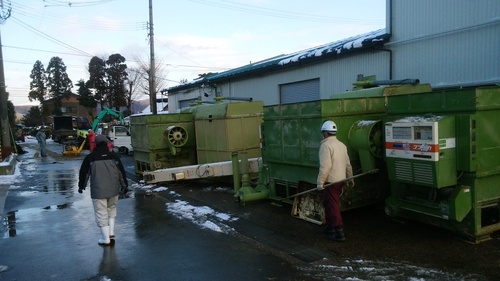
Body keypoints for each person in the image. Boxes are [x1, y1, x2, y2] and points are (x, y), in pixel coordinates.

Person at [78, 134, 128, 246]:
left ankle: (105, 239)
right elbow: (121, 173)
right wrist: (125, 186)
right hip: (114, 190)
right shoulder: (114, 156)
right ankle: (111, 232)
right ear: (106, 143)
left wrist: (81, 187)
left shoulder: (90, 158)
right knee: (111, 209)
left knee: (101, 213)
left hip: (98, 191)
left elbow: (84, 174)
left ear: (95, 143)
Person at [316, 120, 354, 242]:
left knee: (333, 206)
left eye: (323, 133)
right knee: (327, 203)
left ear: (326, 133)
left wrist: (320, 182)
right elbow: (348, 164)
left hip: (331, 182)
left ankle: (339, 232)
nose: (323, 135)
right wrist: (350, 178)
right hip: (341, 179)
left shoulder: (325, 146)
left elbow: (325, 167)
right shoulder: (342, 145)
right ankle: (329, 227)